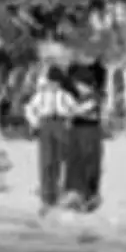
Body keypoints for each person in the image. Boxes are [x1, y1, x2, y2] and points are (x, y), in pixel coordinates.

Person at [23, 51, 75, 218]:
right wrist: (35, 123)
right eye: (52, 82)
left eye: (57, 83)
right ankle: (46, 198)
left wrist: (69, 120)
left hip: (60, 125)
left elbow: (74, 109)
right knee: (46, 161)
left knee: (58, 160)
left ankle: (56, 194)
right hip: (46, 125)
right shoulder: (41, 96)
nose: (54, 85)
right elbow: (29, 109)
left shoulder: (65, 96)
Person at [60, 50, 107, 213]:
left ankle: (89, 196)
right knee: (74, 163)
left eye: (79, 84)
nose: (77, 87)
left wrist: (70, 110)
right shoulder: (77, 97)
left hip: (89, 133)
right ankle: (74, 194)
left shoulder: (94, 97)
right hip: (76, 132)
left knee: (89, 164)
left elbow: (78, 111)